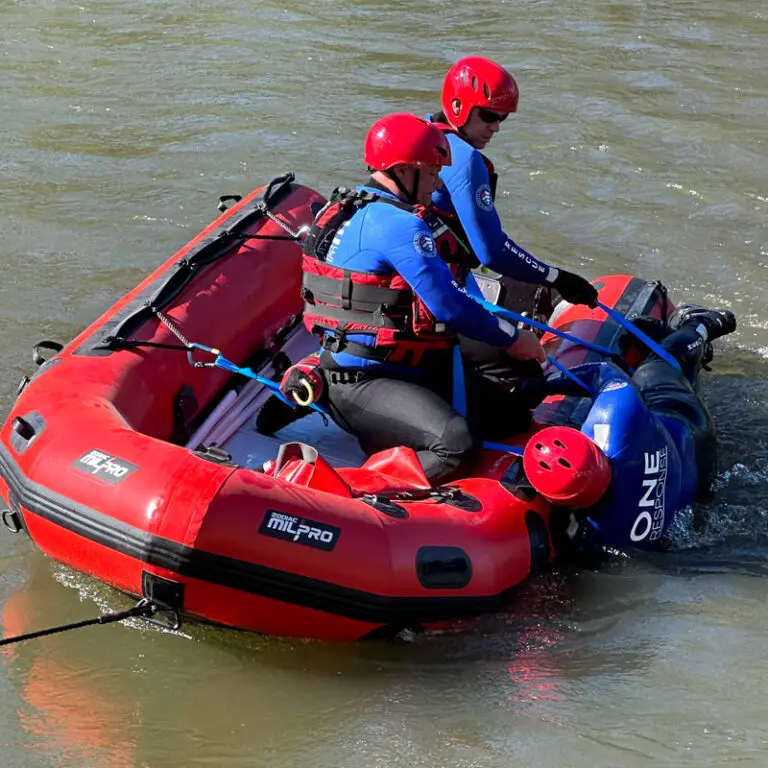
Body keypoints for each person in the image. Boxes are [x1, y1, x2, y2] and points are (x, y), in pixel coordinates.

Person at [291, 112, 552, 483]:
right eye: (431, 172)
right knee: (457, 445)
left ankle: (360, 412)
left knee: (514, 411)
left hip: (403, 359)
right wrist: (512, 336)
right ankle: (360, 487)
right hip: (361, 380)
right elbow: (447, 305)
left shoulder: (351, 206)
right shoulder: (400, 225)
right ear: (403, 171)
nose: (437, 182)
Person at [427, 56, 598, 384]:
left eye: (502, 117)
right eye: (489, 115)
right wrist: (557, 277)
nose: (496, 127)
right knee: (524, 369)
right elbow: (492, 252)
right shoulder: (466, 162)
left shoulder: (426, 131)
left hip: (438, 273)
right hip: (443, 285)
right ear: (458, 106)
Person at [522, 304, 737, 550]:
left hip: (692, 475)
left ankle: (700, 327)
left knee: (658, 366)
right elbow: (602, 374)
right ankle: (699, 324)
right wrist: (544, 385)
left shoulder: (607, 535)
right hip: (686, 423)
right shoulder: (617, 420)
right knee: (656, 367)